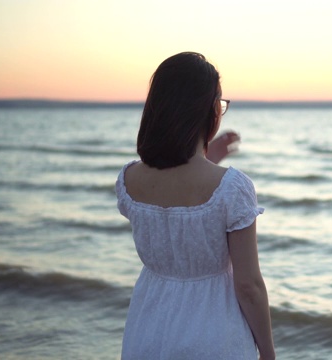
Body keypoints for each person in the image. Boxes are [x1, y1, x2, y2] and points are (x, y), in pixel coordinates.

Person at [116, 52, 275, 359]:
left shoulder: (129, 180)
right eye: (219, 103)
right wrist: (268, 353)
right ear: (207, 111)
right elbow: (248, 286)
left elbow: (175, 207)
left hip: (147, 328)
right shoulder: (233, 188)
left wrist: (206, 156)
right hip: (215, 332)